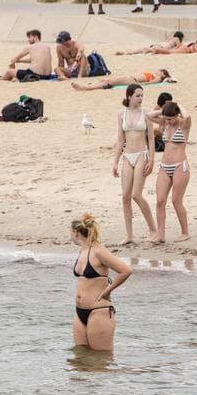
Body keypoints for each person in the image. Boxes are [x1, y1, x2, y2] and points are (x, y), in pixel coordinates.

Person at [69, 213, 132, 352]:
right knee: (80, 359)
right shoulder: (83, 251)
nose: (70, 235)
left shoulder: (98, 250)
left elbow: (125, 270)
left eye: (70, 232)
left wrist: (107, 291)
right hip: (79, 313)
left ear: (76, 232)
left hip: (98, 312)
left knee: (100, 362)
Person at [112, 85, 156, 245]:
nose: (141, 98)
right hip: (127, 156)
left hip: (141, 155)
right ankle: (129, 235)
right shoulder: (121, 114)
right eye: (138, 95)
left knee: (136, 194)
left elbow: (151, 138)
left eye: (142, 95)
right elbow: (120, 139)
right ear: (129, 96)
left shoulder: (146, 114)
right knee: (125, 197)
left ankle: (153, 229)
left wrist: (152, 159)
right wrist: (115, 162)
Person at [153, 101, 192, 244]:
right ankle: (160, 234)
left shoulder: (183, 124)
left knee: (176, 201)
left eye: (170, 118)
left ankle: (185, 232)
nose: (167, 121)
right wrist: (163, 110)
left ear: (177, 115)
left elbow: (187, 116)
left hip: (179, 166)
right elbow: (150, 115)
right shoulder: (165, 124)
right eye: (166, 118)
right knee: (159, 200)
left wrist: (178, 104)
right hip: (164, 166)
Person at [71, 69, 174, 91]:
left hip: (132, 80)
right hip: (130, 78)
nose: (158, 70)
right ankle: (89, 85)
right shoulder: (153, 74)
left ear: (163, 74)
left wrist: (141, 85)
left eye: (160, 70)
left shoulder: (158, 77)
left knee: (108, 82)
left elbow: (150, 83)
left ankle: (86, 87)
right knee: (106, 81)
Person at [115, 31, 184, 56]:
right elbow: (178, 47)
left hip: (159, 44)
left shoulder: (171, 38)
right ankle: (145, 52)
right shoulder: (177, 39)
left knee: (143, 49)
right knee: (150, 50)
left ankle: (126, 53)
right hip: (163, 47)